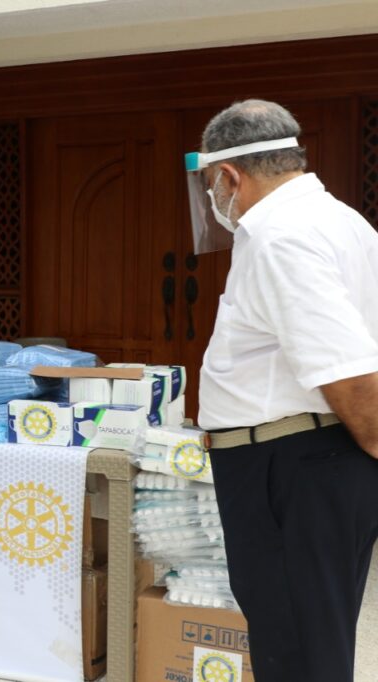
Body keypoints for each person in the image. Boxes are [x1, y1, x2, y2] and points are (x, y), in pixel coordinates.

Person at [188, 99, 378, 681]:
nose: (214, 202)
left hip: (294, 465)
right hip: (312, 459)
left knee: (295, 645)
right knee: (310, 632)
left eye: (211, 187)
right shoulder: (341, 219)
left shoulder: (280, 235)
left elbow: (347, 368)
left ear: (228, 176)